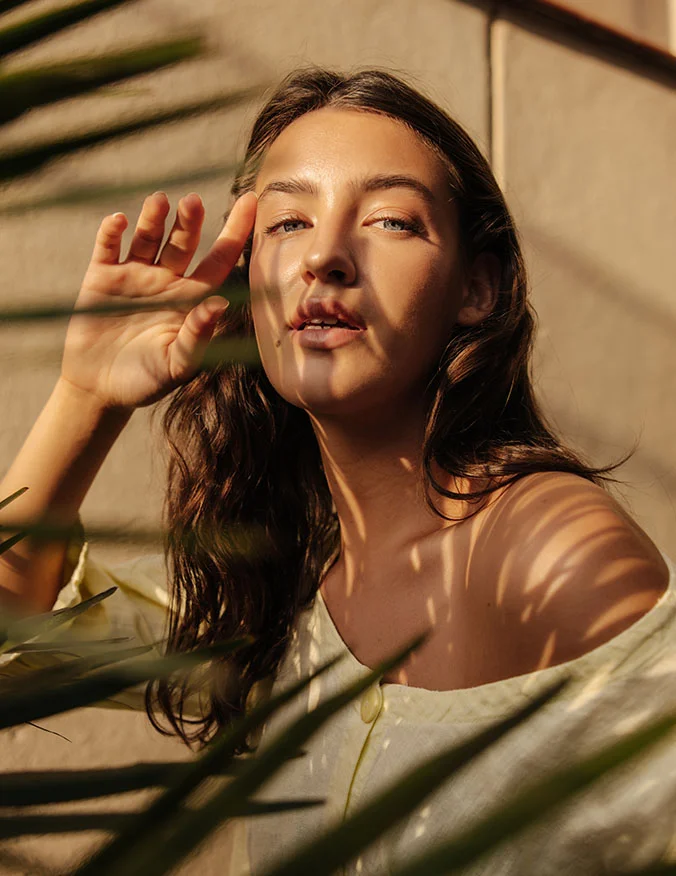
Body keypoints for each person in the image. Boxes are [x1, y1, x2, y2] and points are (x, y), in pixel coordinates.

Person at [1, 67, 675, 875]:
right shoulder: (273, 588)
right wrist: (87, 395)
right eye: (287, 223)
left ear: (478, 289)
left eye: (391, 220)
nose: (324, 255)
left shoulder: (551, 550)